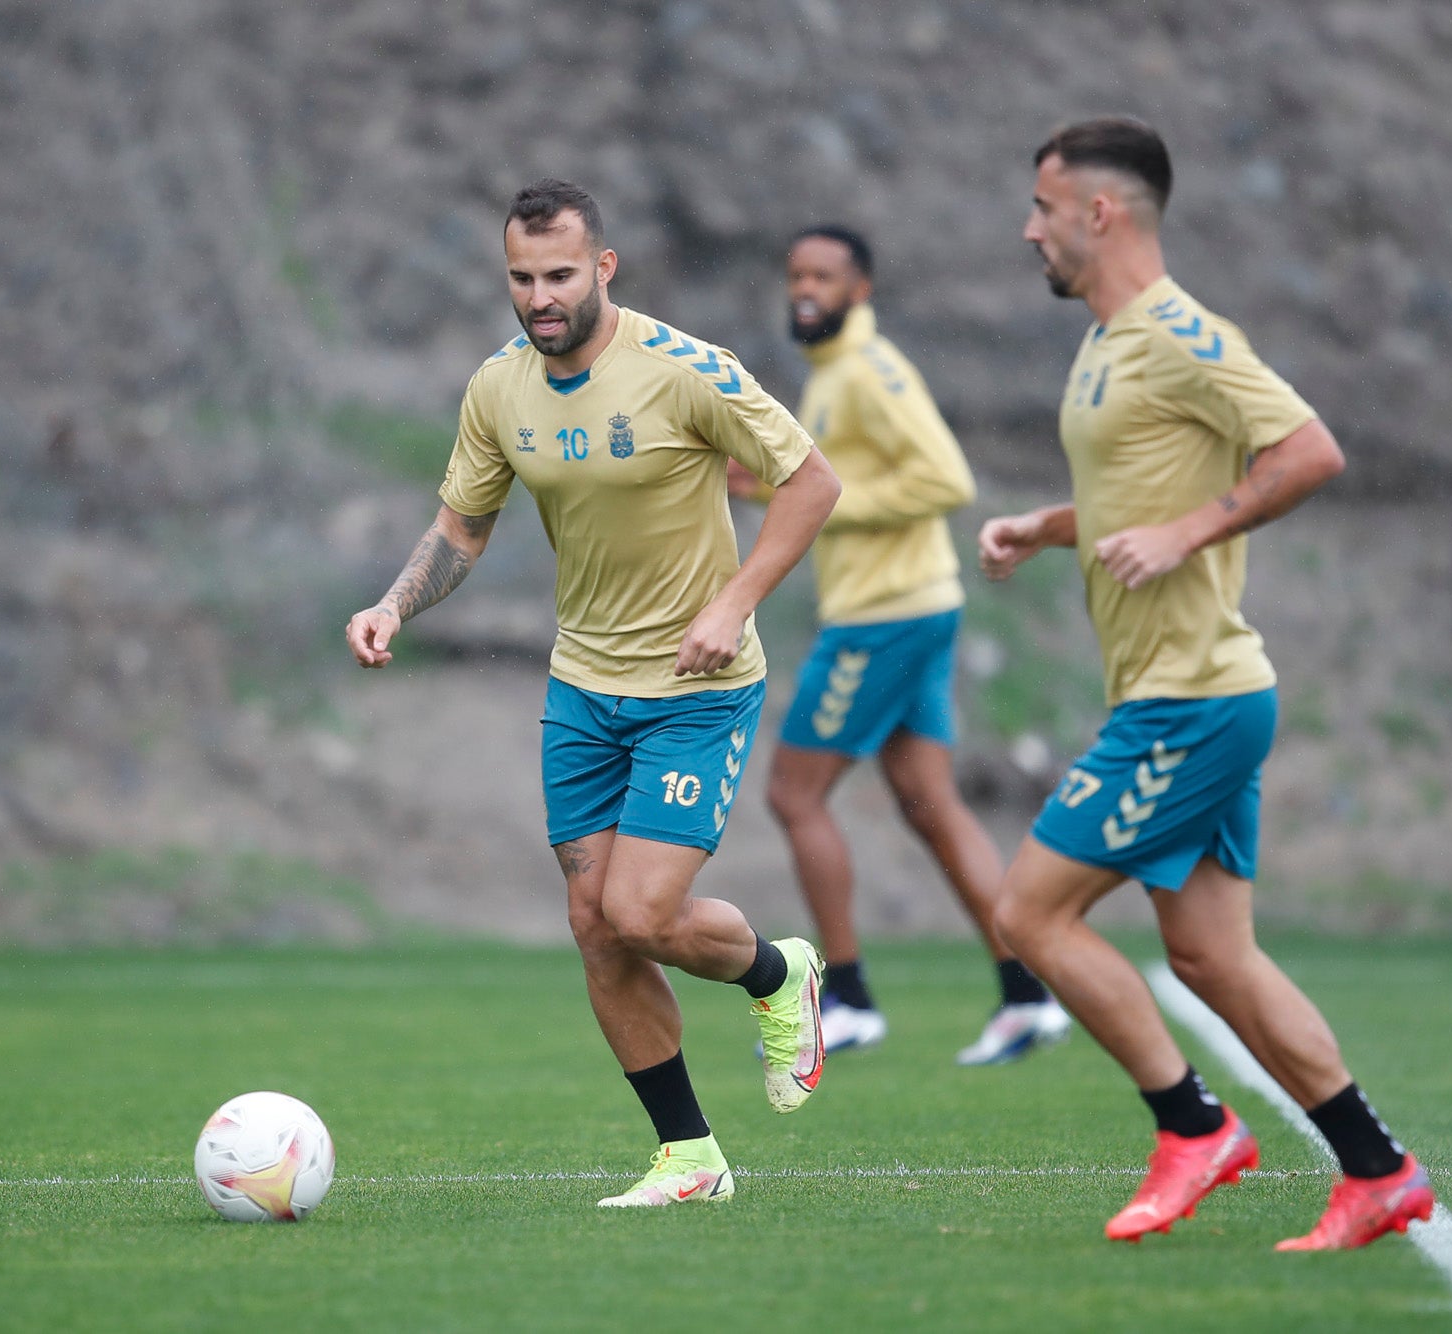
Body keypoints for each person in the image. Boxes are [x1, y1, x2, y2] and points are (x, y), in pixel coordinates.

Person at [978, 118, 1433, 1249]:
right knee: (1210, 955)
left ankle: (1191, 1127)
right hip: (1182, 694)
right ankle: (1375, 1170)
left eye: (1040, 206)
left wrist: (1188, 531)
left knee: (1026, 910)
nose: (1025, 227)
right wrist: (1045, 527)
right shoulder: (1101, 344)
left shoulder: (1181, 334)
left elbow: (1307, 450)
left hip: (1191, 700)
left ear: (1100, 212)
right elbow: (1137, 492)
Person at [346, 179, 843, 1209]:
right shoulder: (498, 387)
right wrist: (395, 603)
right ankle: (689, 1156)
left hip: (696, 687)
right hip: (583, 686)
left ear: (603, 268)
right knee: (592, 920)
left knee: (640, 908)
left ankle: (779, 974)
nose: (539, 295)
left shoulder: (683, 369)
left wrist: (734, 599)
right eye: (521, 277)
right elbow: (461, 526)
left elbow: (811, 483)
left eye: (559, 274)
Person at [729, 226, 1070, 1064]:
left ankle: (846, 997)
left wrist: (821, 499)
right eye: (796, 273)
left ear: (862, 289)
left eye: (824, 276)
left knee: (794, 796)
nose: (804, 287)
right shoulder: (832, 376)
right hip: (915, 610)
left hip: (884, 616)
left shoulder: (869, 373)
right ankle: (1027, 993)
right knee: (929, 801)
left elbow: (946, 479)